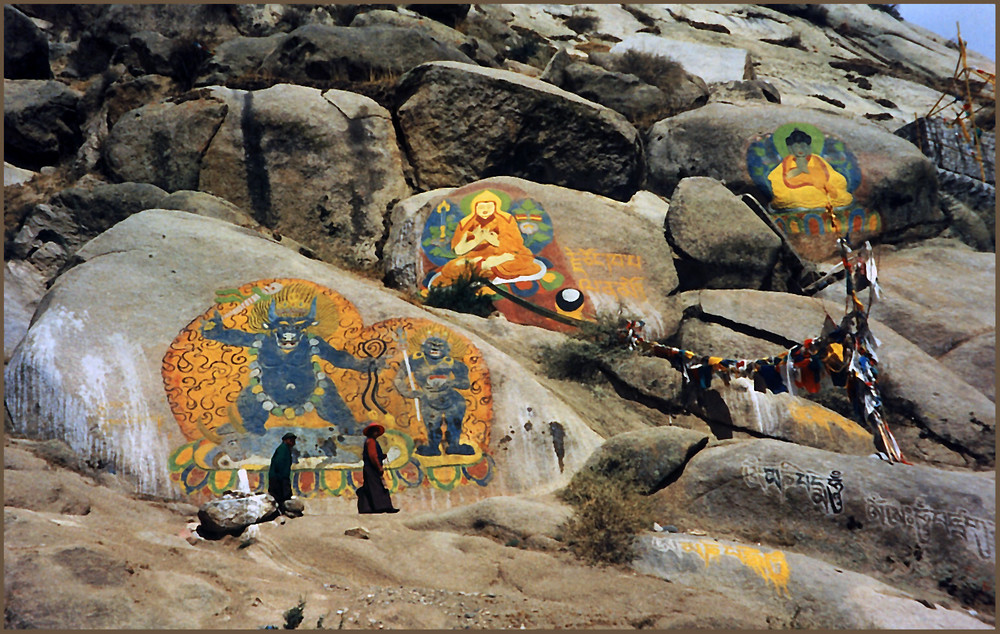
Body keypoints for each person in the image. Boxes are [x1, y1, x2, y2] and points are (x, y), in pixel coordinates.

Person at [432, 189, 542, 286]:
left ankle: (486, 266)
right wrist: (476, 241)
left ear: (496, 207)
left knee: (522, 260)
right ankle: (485, 265)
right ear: (474, 208)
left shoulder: (505, 220)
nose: (485, 210)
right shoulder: (466, 223)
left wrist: (496, 242)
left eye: (489, 206)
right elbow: (458, 250)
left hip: (502, 256)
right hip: (474, 258)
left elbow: (516, 244)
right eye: (481, 207)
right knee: (451, 268)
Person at [767, 128, 853, 212]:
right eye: (796, 147)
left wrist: (827, 184)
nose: (800, 149)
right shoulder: (788, 161)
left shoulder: (816, 159)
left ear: (808, 147)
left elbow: (831, 175)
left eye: (803, 146)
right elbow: (777, 178)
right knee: (789, 197)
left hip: (819, 189)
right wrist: (799, 170)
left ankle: (815, 206)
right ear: (790, 148)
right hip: (796, 191)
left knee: (843, 197)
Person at [357, 422, 400, 514]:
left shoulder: (370, 441)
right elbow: (373, 456)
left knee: (370, 487)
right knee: (376, 487)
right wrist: (379, 467)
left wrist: (381, 456)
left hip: (368, 468)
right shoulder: (371, 441)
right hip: (371, 468)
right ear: (372, 432)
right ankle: (382, 506)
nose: (377, 433)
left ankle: (367, 508)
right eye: (375, 431)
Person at [268, 432, 296, 515]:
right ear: (286, 440)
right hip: (279, 477)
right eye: (291, 440)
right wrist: (282, 477)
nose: (293, 443)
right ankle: (280, 511)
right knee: (280, 495)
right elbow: (279, 463)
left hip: (281, 476)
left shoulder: (286, 449)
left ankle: (282, 511)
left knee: (282, 495)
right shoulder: (283, 449)